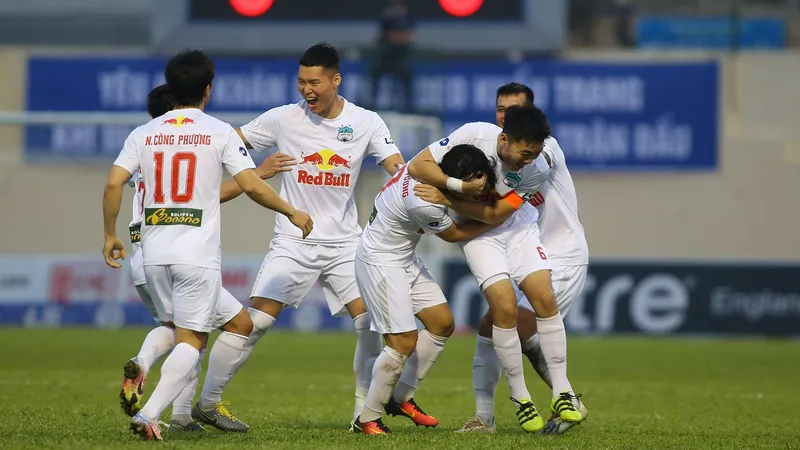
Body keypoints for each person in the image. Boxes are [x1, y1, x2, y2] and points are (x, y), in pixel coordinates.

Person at [102, 49, 313, 441]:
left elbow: (114, 182)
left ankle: (158, 385)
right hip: (195, 255)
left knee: (173, 328)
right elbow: (250, 185)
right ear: (208, 89)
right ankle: (149, 414)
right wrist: (291, 211)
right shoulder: (218, 131)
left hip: (152, 254)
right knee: (193, 340)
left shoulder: (143, 134)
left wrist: (110, 235)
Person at [194, 43, 405, 431]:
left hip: (346, 245)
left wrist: (410, 186)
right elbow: (225, 142)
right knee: (256, 322)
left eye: (314, 82)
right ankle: (207, 403)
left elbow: (396, 166)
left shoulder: (366, 122)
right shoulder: (282, 119)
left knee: (369, 324)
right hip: (293, 241)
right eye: (301, 82)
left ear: (335, 80)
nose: (307, 90)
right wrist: (251, 169)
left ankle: (363, 415)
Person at [409, 105, 582, 433]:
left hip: (517, 229)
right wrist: (457, 186)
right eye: (524, 153)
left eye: (535, 154)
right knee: (504, 307)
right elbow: (418, 165)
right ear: (504, 140)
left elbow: (497, 214)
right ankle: (521, 399)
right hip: (477, 237)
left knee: (544, 298)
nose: (528, 160)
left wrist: (450, 198)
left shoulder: (537, 168)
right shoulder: (473, 133)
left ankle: (562, 393)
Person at [458, 83, 589, 434]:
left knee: (521, 325)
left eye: (514, 109)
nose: (506, 115)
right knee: (492, 324)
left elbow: (500, 206)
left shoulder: (543, 151)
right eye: (501, 109)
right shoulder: (496, 150)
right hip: (525, 246)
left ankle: (567, 397)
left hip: (561, 252)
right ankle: (484, 418)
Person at [352, 144, 501, 434]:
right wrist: (496, 218)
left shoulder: (427, 170)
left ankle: (399, 397)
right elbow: (455, 234)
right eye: (475, 186)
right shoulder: (424, 200)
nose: (479, 193)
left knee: (442, 323)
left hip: (403, 256)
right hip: (380, 262)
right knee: (402, 341)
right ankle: (366, 419)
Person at [371, 0, 415, 112]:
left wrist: (398, 37)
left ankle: (408, 108)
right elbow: (388, 36)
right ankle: (373, 104)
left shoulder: (408, 18)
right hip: (385, 57)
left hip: (402, 58)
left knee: (407, 78)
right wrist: (398, 37)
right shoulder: (385, 18)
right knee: (375, 73)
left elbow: (409, 36)